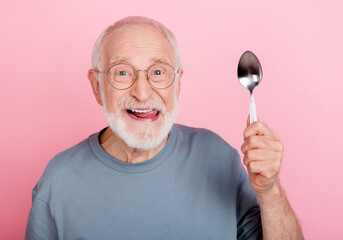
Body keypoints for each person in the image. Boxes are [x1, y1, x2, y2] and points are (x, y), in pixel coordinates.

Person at [26, 16, 303, 239]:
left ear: (178, 84)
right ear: (97, 86)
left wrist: (269, 190)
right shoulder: (58, 183)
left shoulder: (218, 157)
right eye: (123, 72)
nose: (143, 93)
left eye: (158, 72)